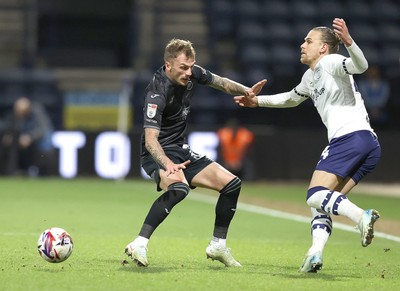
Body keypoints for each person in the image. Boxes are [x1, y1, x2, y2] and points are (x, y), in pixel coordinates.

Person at [234, 18, 381, 273]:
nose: (302, 45)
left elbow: (361, 66)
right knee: (321, 201)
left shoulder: (331, 62)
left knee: (314, 195)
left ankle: (361, 216)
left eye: (308, 41)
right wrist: (258, 102)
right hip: (368, 144)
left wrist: (349, 42)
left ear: (323, 47)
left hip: (350, 138)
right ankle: (315, 253)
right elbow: (291, 98)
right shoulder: (309, 76)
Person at [124, 38, 266, 267]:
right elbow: (150, 141)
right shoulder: (156, 92)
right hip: (156, 153)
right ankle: (139, 243)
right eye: (183, 68)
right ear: (168, 65)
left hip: (180, 149)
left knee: (232, 184)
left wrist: (247, 91)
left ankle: (218, 245)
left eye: (191, 67)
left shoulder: (192, 72)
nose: (190, 73)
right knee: (179, 188)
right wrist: (167, 164)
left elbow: (221, 83)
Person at [0, 96, 54, 176]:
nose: (20, 114)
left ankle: (33, 171)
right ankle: (11, 171)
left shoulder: (37, 114)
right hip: (21, 145)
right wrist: (8, 135)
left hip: (37, 145)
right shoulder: (16, 116)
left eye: (22, 111)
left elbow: (42, 131)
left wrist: (30, 137)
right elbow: (8, 126)